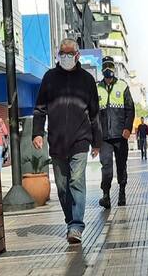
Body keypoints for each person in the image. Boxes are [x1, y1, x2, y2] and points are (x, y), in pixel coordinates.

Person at [32, 38, 101, 244]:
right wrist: (37, 133)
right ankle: (71, 221)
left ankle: (76, 226)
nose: (66, 57)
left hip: (80, 140)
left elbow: (95, 113)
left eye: (69, 53)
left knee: (76, 182)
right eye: (62, 53)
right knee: (62, 187)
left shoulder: (87, 80)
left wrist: (97, 141)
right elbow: (40, 109)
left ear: (77, 55)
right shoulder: (49, 78)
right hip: (57, 141)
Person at [97, 56, 135, 209]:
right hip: (104, 137)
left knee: (121, 166)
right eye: (105, 66)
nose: (108, 69)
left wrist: (127, 128)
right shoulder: (96, 88)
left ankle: (122, 192)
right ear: (102, 69)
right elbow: (92, 114)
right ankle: (105, 195)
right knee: (106, 167)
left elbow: (130, 110)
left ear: (114, 68)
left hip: (120, 135)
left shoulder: (123, 86)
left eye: (110, 66)